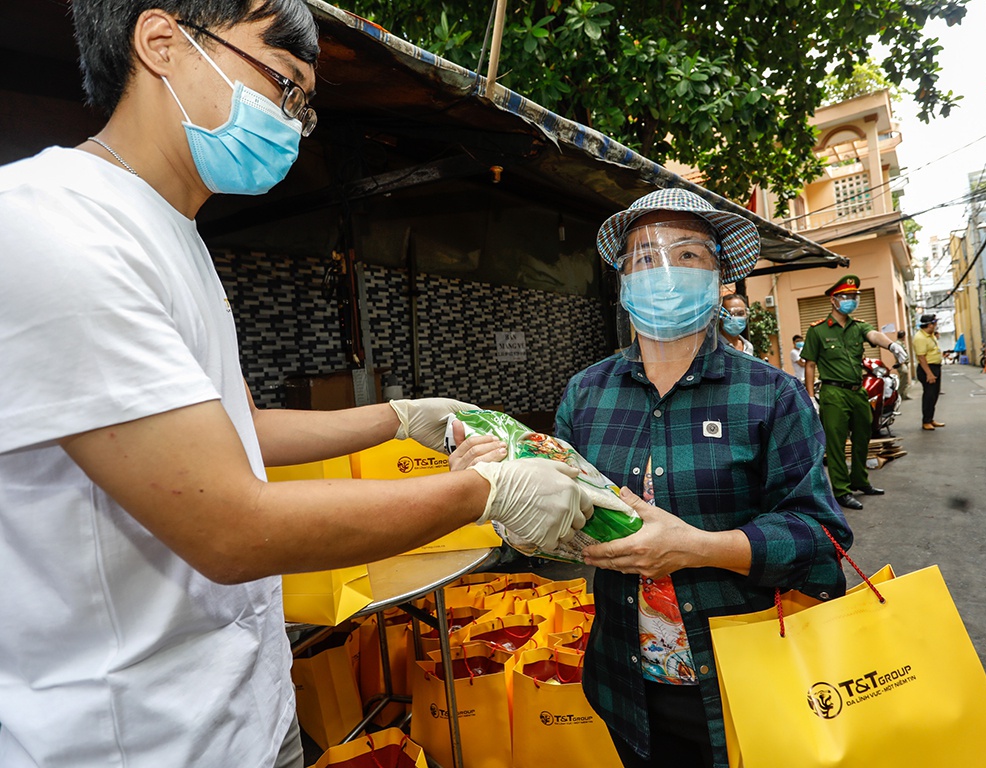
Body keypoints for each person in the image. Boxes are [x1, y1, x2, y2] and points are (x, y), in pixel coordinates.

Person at [0, 3, 592, 766]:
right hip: (131, 735)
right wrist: (483, 496)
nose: (290, 119)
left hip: (243, 706)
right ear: (162, 44)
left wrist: (398, 416)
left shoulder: (174, 236)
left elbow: (242, 429)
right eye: (283, 84)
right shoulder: (54, 227)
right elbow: (230, 526)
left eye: (301, 104)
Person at [544, 188, 852, 768]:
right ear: (624, 282)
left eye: (687, 255)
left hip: (747, 682)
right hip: (625, 685)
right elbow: (558, 513)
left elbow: (820, 537)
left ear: (719, 279)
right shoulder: (586, 394)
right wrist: (504, 485)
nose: (662, 271)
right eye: (643, 258)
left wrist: (697, 549)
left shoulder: (770, 395)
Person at [800, 274, 909, 510]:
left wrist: (890, 344)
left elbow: (873, 335)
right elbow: (809, 364)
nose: (851, 300)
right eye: (846, 296)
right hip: (833, 393)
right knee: (836, 444)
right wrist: (810, 397)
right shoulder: (818, 331)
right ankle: (841, 490)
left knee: (863, 438)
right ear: (834, 300)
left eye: (854, 297)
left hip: (858, 392)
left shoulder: (858, 326)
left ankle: (860, 480)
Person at [913, 314, 945, 430]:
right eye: (935, 323)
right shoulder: (920, 337)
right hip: (927, 368)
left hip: (935, 367)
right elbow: (921, 357)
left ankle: (930, 418)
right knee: (929, 395)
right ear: (930, 325)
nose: (936, 325)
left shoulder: (930, 335)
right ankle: (926, 421)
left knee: (935, 394)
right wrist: (929, 374)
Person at [896, 329, 912, 399]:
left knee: (905, 381)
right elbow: (898, 354)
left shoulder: (900, 343)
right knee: (902, 382)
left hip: (904, 364)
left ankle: (904, 395)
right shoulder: (898, 344)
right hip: (901, 364)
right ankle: (898, 396)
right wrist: (902, 363)